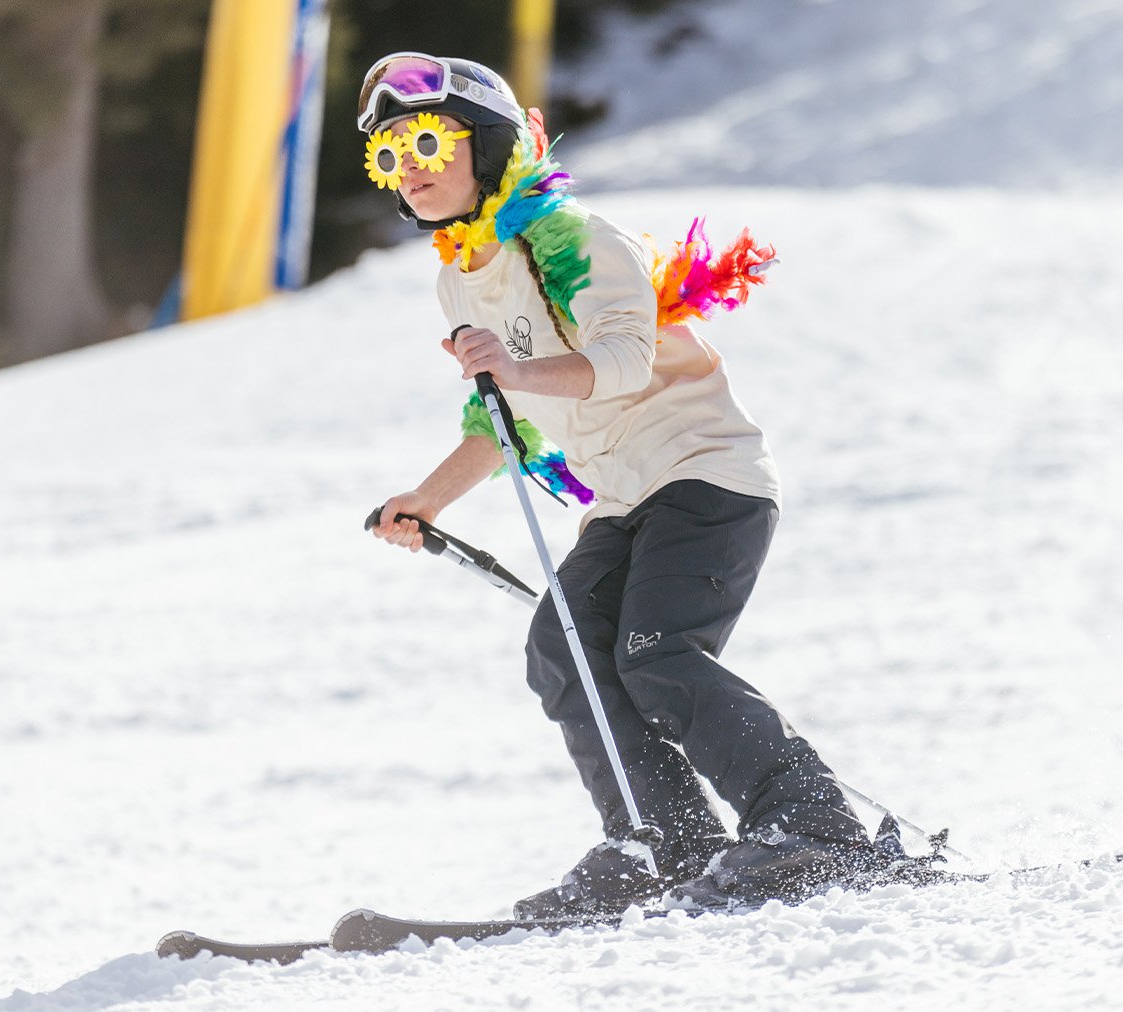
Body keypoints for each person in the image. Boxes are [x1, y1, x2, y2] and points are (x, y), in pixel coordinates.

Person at [360, 52, 875, 916]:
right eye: (388, 158)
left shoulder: (582, 239)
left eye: (424, 141)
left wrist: (514, 373)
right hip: (625, 496)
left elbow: (624, 363)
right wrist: (428, 499)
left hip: (708, 475)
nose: (409, 170)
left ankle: (814, 827)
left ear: (487, 144)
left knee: (657, 653)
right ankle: (664, 845)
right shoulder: (458, 276)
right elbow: (501, 419)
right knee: (562, 650)